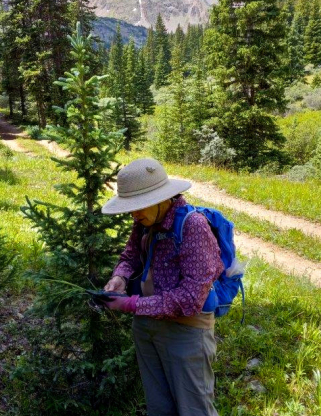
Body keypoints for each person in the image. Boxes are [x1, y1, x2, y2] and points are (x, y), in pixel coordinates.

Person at [101, 158, 224, 416]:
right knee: (158, 407)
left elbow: (190, 299)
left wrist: (130, 304)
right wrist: (120, 278)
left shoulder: (194, 227)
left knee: (194, 409)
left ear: (162, 198)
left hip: (186, 331)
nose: (134, 213)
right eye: (130, 207)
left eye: (139, 206)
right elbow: (130, 257)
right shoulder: (144, 221)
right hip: (146, 325)